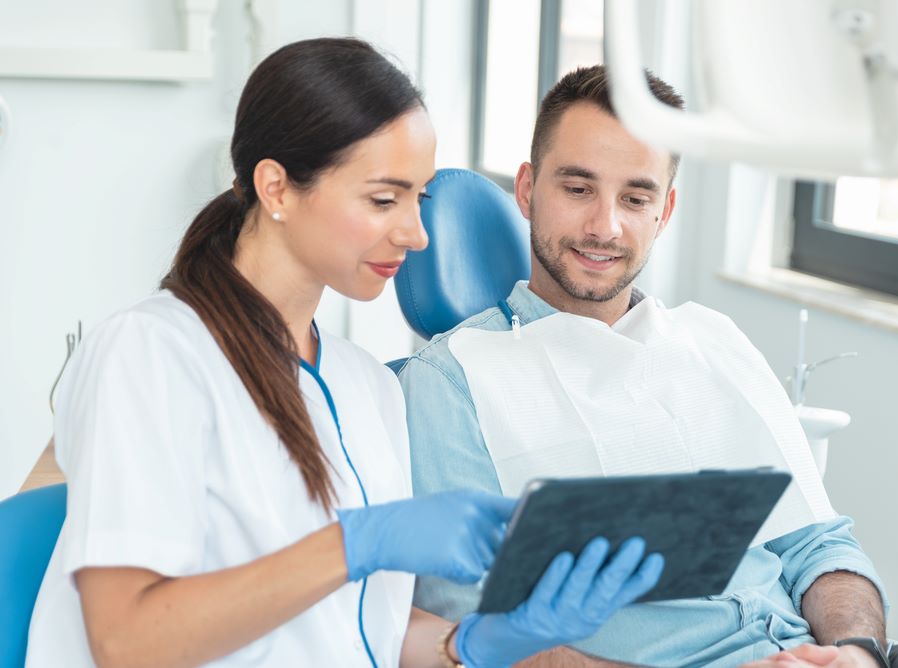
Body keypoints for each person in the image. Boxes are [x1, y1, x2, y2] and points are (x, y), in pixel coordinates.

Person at [25, 40, 665, 668]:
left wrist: (476, 644)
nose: (414, 234)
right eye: (383, 199)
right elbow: (127, 643)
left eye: (418, 199)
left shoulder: (366, 387)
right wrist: (359, 542)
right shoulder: (151, 354)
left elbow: (365, 628)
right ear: (275, 187)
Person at [397, 65, 898, 668]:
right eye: (578, 189)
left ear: (666, 209)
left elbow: (819, 543)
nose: (605, 225)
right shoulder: (452, 380)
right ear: (527, 190)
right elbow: (470, 633)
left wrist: (856, 653)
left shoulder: (713, 339)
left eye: (636, 198)